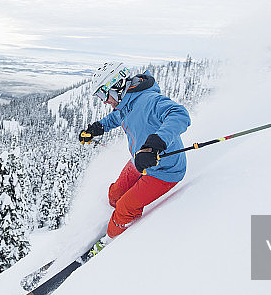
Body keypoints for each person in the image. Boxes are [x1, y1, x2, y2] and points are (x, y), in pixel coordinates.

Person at [79, 62, 191, 254]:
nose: (104, 101)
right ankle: (117, 220)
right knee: (114, 194)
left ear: (117, 85)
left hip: (164, 170)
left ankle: (111, 241)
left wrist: (154, 144)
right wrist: (96, 128)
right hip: (141, 161)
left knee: (124, 206)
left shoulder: (148, 100)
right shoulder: (126, 102)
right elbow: (117, 117)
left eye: (103, 94)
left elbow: (179, 114)